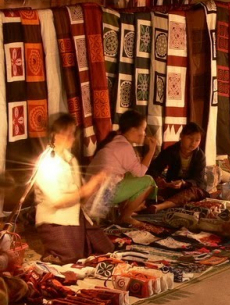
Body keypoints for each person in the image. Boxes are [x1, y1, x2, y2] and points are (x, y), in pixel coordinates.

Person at [34, 114, 115, 264]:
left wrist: (97, 184)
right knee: (71, 259)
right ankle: (52, 253)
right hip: (55, 219)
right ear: (54, 135)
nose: (72, 137)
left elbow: (81, 197)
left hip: (76, 214)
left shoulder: (70, 159)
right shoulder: (46, 163)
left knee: (108, 250)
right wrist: (88, 188)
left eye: (73, 133)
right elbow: (58, 201)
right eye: (67, 133)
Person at [87, 110, 157, 227]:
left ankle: (122, 213)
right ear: (134, 130)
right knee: (148, 181)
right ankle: (125, 217)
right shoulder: (123, 146)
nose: (144, 134)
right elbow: (140, 172)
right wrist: (151, 150)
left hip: (94, 194)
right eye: (143, 129)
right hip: (101, 196)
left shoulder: (116, 140)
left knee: (129, 175)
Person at [146, 122, 208, 213]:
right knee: (152, 189)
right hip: (173, 186)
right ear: (181, 136)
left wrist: (183, 183)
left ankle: (160, 206)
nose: (193, 143)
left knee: (192, 192)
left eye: (197, 140)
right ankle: (163, 203)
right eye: (190, 138)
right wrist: (158, 179)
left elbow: (198, 180)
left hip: (192, 188)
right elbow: (154, 168)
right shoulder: (171, 151)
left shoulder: (200, 156)